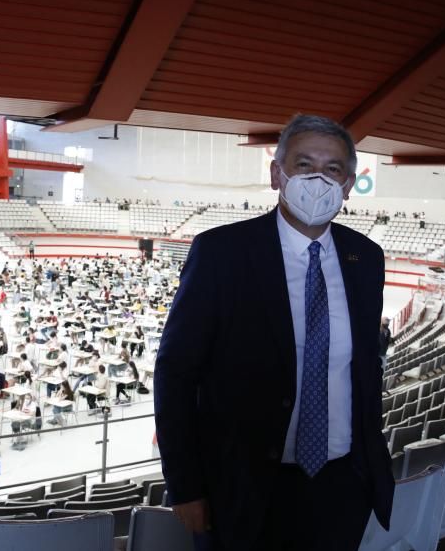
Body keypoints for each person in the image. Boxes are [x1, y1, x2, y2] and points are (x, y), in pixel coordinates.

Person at [154, 115, 393, 550]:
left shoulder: (366, 257)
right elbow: (176, 372)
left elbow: (362, 365)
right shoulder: (222, 252)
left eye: (333, 168)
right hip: (245, 487)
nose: (318, 178)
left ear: (347, 184)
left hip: (342, 483)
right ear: (276, 174)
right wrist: (186, 485)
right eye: (304, 164)